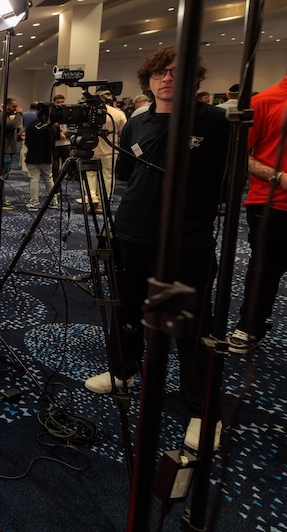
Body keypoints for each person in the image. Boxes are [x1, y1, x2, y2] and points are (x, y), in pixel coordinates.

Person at [84, 46, 229, 451]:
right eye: (159, 73)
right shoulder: (137, 122)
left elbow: (225, 183)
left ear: (195, 80)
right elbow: (129, 174)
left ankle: (202, 410)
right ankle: (123, 371)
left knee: (188, 327)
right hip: (132, 233)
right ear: (148, 80)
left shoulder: (215, 122)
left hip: (184, 241)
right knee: (126, 311)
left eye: (176, 72)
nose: (167, 78)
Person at [227, 77, 287, 353]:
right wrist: (277, 177)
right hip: (272, 203)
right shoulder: (264, 101)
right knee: (265, 269)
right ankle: (250, 325)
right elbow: (239, 154)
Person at [83, 92, 127, 212]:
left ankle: (92, 197)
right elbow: (123, 133)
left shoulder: (89, 112)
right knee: (107, 175)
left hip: (91, 148)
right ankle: (104, 201)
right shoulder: (118, 114)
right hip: (110, 149)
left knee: (90, 174)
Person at [23, 106, 56, 210]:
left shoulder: (31, 125)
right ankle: (53, 201)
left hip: (32, 156)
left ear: (37, 112)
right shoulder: (51, 126)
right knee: (49, 179)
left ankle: (34, 202)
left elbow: (27, 142)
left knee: (34, 179)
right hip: (46, 156)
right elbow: (53, 142)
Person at [19, 102, 40, 175]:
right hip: (35, 134)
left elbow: (21, 124)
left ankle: (23, 165)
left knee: (24, 150)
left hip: (25, 133)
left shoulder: (24, 114)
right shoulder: (37, 115)